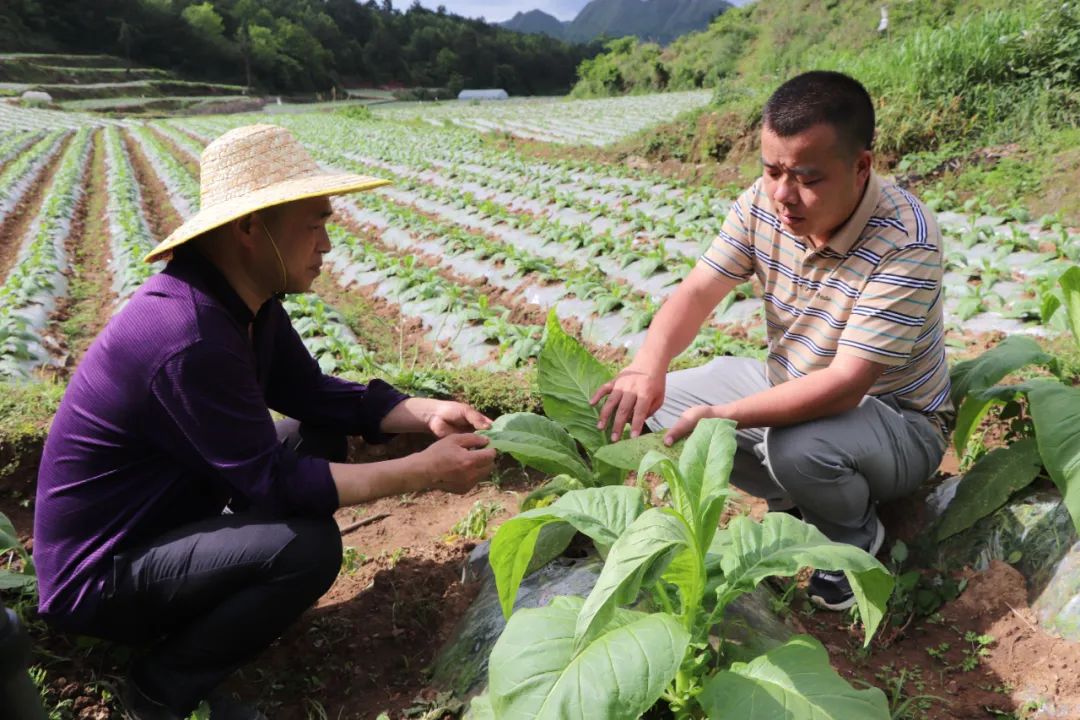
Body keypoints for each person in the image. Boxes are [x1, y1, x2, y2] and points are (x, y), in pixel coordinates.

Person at [33, 124, 496, 719]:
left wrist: (428, 412)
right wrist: (422, 471)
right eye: (315, 223)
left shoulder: (246, 305)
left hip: (159, 519)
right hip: (98, 576)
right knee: (307, 548)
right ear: (250, 228)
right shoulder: (188, 335)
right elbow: (273, 482)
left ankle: (224, 607)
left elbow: (312, 394)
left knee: (312, 436)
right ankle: (161, 687)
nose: (327, 244)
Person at [592, 71, 953, 611]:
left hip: (897, 422)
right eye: (772, 170)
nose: (784, 194)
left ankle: (854, 540)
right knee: (658, 406)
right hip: (790, 382)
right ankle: (793, 497)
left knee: (796, 445)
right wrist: (648, 365)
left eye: (807, 177)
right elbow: (695, 292)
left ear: (860, 168)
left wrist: (726, 415)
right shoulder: (764, 205)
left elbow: (846, 386)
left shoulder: (905, 239)